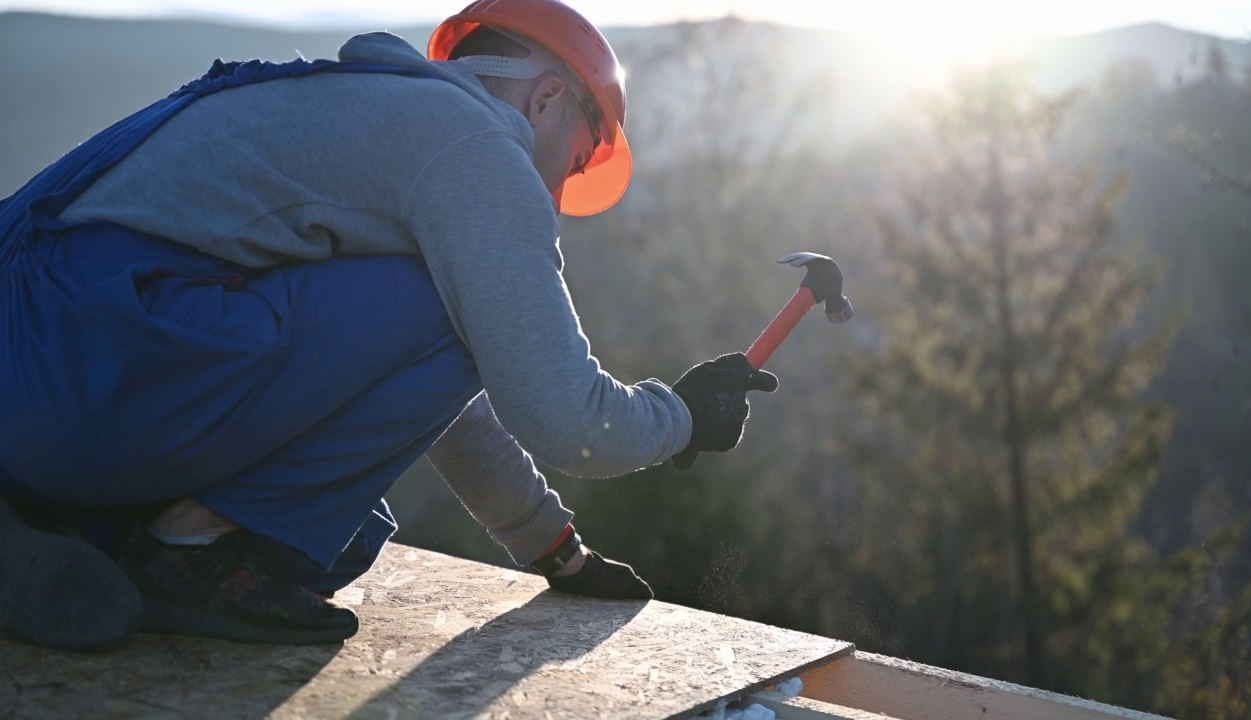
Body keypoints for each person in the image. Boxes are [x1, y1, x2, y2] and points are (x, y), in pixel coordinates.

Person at [0, 0, 778, 651]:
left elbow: (421, 382)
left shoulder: (384, 109)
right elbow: (563, 418)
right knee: (301, 529)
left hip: (46, 365)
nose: (561, 189)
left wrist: (555, 550)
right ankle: (184, 552)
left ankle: (54, 521)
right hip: (78, 365)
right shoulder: (474, 145)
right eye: (577, 162)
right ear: (546, 99)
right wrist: (681, 418)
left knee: (342, 531)